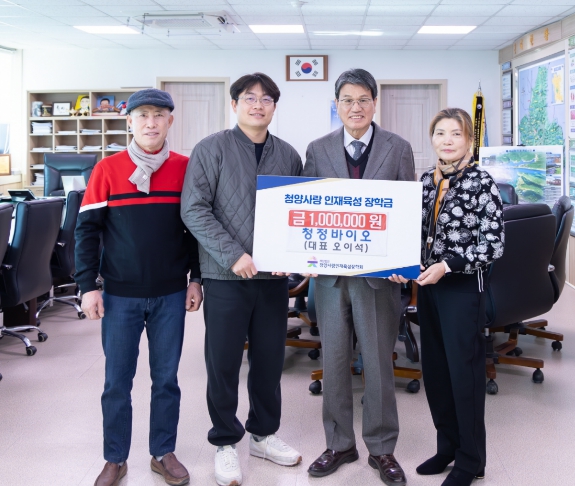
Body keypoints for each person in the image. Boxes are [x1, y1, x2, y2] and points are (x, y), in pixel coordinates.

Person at [181, 72, 303, 486]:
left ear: (274, 107)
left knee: (269, 361)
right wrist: (233, 255)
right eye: (249, 98)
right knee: (224, 363)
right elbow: (194, 209)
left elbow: (297, 213)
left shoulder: (288, 155)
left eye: (266, 99)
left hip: (272, 279)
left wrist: (292, 256)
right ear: (234, 104)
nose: (258, 105)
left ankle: (263, 435)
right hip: (224, 275)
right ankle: (224, 442)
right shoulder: (210, 149)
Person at [75, 88, 202, 486]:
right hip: (119, 296)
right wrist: (87, 286)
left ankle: (162, 452)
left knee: (166, 380)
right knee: (117, 382)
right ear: (129, 121)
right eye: (143, 115)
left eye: (159, 115)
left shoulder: (185, 168)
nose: (151, 123)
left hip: (170, 294)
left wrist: (196, 279)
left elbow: (195, 230)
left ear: (170, 121)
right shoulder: (107, 169)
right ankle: (115, 458)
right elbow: (86, 232)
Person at [304, 68, 415, 486]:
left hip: (378, 280)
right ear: (337, 105)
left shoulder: (397, 148)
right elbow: (308, 208)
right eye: (347, 100)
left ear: (374, 103)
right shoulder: (318, 149)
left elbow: (407, 211)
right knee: (333, 363)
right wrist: (303, 253)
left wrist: (404, 263)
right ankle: (339, 443)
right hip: (330, 279)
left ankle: (382, 448)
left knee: (379, 365)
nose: (356, 107)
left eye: (363, 99)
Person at [389, 108, 505, 486]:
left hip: (462, 289)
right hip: (428, 287)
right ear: (432, 138)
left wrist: (448, 265)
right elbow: (410, 233)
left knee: (463, 375)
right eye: (440, 133)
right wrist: (400, 264)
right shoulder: (425, 181)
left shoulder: (482, 182)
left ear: (469, 140)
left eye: (456, 134)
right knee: (436, 373)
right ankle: (447, 448)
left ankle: (471, 460)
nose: (447, 140)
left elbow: (493, 245)